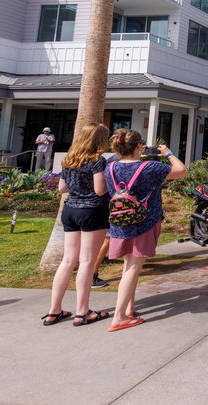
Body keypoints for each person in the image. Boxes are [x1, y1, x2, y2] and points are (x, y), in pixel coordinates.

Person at [105, 129, 186, 332]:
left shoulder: (110, 167)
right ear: (139, 146)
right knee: (133, 268)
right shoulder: (150, 167)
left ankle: (129, 309)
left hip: (120, 221)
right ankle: (118, 317)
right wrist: (168, 153)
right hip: (144, 222)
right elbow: (181, 171)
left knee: (128, 267)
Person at [42, 123, 111, 327]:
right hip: (92, 211)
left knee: (68, 260)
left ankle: (54, 311)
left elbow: (62, 188)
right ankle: (83, 312)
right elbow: (99, 190)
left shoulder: (69, 160)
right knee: (87, 261)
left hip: (70, 210)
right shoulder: (97, 161)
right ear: (99, 139)